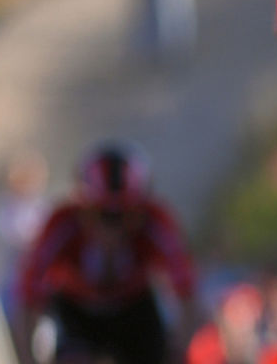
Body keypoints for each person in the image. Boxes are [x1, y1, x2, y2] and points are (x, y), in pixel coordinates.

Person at [12, 140, 199, 364]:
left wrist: (181, 351)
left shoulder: (156, 223)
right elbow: (27, 301)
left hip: (135, 309)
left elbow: (188, 295)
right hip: (78, 310)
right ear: (82, 207)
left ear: (141, 208)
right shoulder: (61, 225)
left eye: (124, 215)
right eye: (103, 215)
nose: (113, 229)